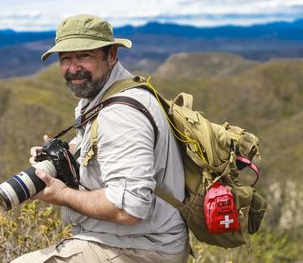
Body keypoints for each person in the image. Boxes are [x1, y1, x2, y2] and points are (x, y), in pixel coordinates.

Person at [12, 14, 189, 263]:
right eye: (65, 59)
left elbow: (128, 208)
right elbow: (103, 146)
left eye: (84, 56)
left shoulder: (121, 115)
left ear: (112, 55)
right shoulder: (103, 96)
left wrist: (61, 194)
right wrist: (64, 156)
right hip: (135, 239)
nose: (73, 69)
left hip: (142, 249)